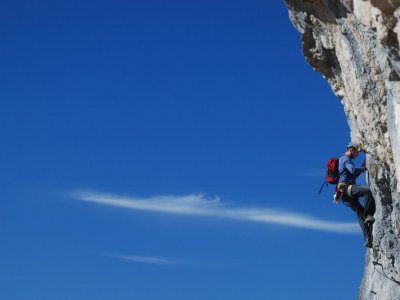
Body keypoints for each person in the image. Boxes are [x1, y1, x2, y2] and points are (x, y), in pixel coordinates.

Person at [338, 144, 376, 248]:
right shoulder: (345, 158)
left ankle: (368, 239)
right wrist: (364, 168)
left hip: (344, 195)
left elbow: (353, 174)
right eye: (356, 153)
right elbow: (353, 170)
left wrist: (364, 165)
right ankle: (368, 215)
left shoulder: (343, 160)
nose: (357, 155)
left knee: (360, 215)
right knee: (367, 191)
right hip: (347, 189)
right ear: (351, 150)